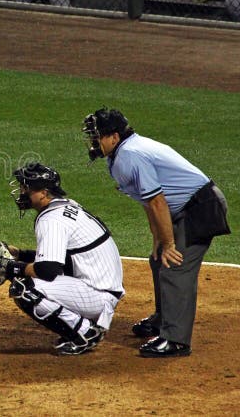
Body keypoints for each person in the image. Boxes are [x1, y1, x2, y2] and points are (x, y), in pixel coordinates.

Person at [82, 108, 230, 357]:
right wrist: (159, 239)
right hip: (182, 209)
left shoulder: (131, 155)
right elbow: (147, 200)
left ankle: (176, 340)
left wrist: (170, 243)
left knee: (174, 265)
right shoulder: (120, 155)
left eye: (97, 136)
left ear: (114, 137)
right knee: (158, 258)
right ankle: (164, 318)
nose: (93, 142)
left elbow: (157, 201)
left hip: (200, 208)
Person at [0, 162, 125, 356]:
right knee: (30, 278)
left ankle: (85, 333)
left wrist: (12, 268)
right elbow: (63, 258)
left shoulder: (51, 219)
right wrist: (21, 254)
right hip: (101, 286)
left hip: (97, 294)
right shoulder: (67, 206)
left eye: (27, 188)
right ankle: (84, 325)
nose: (22, 192)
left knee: (24, 288)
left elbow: (48, 270)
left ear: (44, 193)